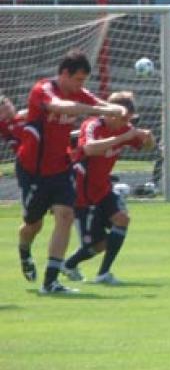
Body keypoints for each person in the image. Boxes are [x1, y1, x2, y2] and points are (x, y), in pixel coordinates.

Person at [14, 49, 127, 294]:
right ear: (64, 74)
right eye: (78, 79)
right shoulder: (43, 90)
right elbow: (61, 105)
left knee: (65, 216)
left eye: (83, 81)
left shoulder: (78, 93)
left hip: (61, 168)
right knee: (33, 226)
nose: (80, 85)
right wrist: (101, 110)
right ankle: (24, 250)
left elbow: (97, 103)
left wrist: (115, 109)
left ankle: (51, 281)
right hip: (32, 170)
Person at [61, 92, 154, 285]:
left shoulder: (125, 129)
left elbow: (146, 148)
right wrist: (123, 137)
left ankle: (103, 274)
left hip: (102, 188)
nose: (127, 123)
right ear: (111, 114)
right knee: (96, 245)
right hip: (82, 193)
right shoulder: (93, 125)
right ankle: (68, 264)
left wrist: (148, 139)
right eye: (124, 119)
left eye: (129, 119)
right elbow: (89, 149)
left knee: (122, 219)